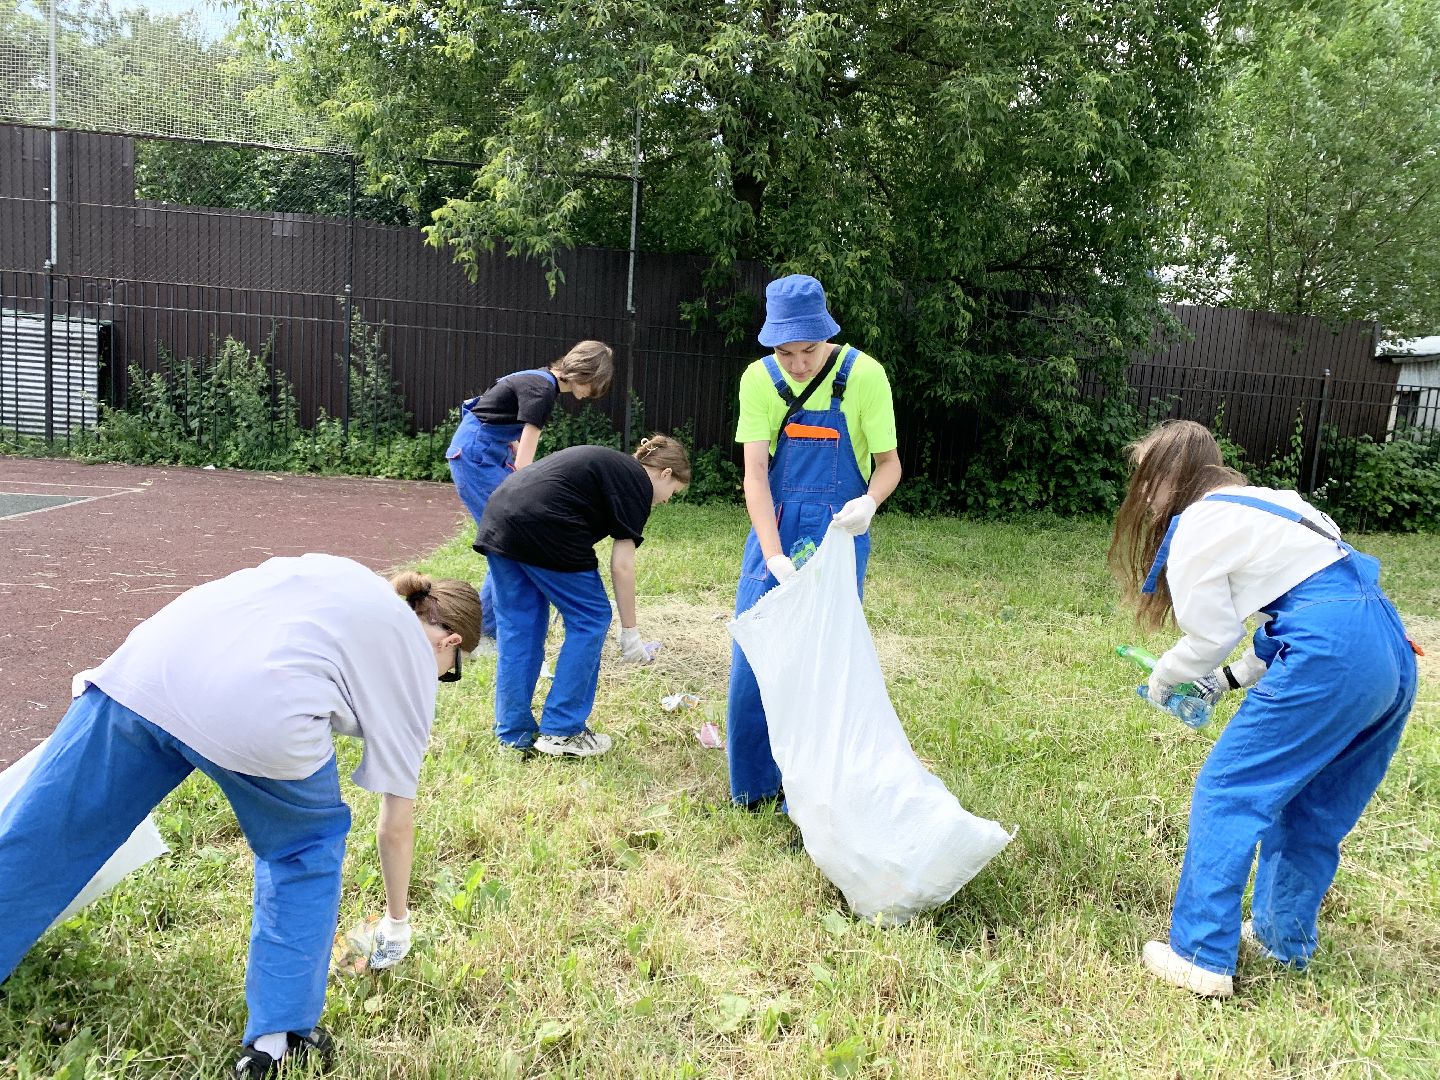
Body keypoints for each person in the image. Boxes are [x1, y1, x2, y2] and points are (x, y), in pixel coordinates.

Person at [0, 554, 482, 1076]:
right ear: (450, 642)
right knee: (304, 848)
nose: (442, 679)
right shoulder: (414, 666)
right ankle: (279, 1037)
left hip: (148, 664)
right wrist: (397, 921)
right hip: (259, 712)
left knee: (49, 828)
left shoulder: (347, 576)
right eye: (451, 674)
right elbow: (395, 825)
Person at [1108, 419, 1418, 998]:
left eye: (1146, 479)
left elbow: (1212, 635)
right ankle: (1282, 939)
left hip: (1330, 653)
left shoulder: (1198, 523)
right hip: (1389, 650)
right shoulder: (1274, 502)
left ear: (1172, 476)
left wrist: (1165, 676)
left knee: (1229, 790)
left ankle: (1200, 956)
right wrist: (1230, 680)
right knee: (1313, 807)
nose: (1142, 494)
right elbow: (1307, 603)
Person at [726, 274, 902, 807]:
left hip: (838, 536)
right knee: (756, 653)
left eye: (808, 350)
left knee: (824, 662)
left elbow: (889, 465)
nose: (798, 364)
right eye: (785, 353)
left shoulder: (865, 375)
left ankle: (808, 792)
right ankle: (754, 787)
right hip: (774, 529)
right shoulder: (758, 380)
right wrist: (773, 554)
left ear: (826, 334)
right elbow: (755, 475)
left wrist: (870, 502)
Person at [475, 435, 690, 757]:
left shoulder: (614, 468)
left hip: (500, 516)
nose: (667, 501)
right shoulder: (637, 483)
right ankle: (562, 730)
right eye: (673, 492)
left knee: (520, 628)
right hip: (546, 523)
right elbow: (622, 566)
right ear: (665, 473)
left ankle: (513, 735)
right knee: (591, 618)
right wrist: (630, 632)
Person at [446, 341, 615, 642]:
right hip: (477, 457)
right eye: (594, 385)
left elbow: (494, 412)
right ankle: (484, 632)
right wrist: (525, 486)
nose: (592, 394)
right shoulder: (542, 390)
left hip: (485, 451)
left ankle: (487, 629)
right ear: (584, 373)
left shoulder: (539, 380)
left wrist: (508, 449)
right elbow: (526, 457)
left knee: (506, 539)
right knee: (505, 538)